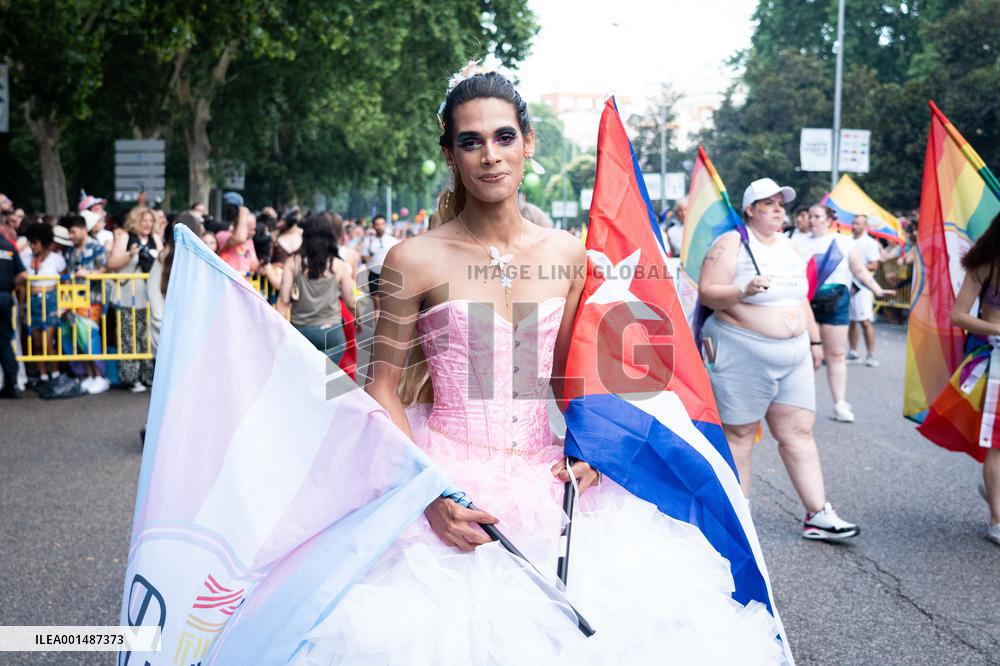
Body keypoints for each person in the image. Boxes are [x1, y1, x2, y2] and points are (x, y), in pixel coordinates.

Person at [298, 66, 784, 664]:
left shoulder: (567, 253)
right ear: (450, 153)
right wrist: (427, 496)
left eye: (504, 137)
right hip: (445, 482)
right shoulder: (412, 259)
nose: (490, 156)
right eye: (470, 141)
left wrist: (591, 451)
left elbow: (568, 380)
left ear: (529, 142)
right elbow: (384, 389)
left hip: (549, 481)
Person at [698, 178, 859, 542]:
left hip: (794, 354)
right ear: (750, 210)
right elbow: (708, 292)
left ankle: (818, 513)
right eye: (767, 203)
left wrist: (815, 339)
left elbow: (801, 298)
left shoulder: (790, 247)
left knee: (799, 432)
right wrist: (744, 289)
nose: (777, 209)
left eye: (780, 204)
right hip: (741, 349)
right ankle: (738, 514)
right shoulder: (731, 244)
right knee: (739, 433)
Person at [803, 205, 893, 422]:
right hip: (807, 304)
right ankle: (803, 405)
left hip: (837, 302)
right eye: (810, 216)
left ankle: (839, 403)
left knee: (835, 354)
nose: (813, 220)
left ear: (829, 220)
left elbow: (859, 270)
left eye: (817, 217)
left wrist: (877, 289)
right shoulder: (798, 242)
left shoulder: (844, 242)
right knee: (805, 357)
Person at [949, 215, 1000, 545]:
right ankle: (997, 518)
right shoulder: (986, 267)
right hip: (995, 362)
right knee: (998, 444)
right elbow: (959, 314)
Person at [277, 214, 356, 366]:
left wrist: (277, 328)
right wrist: (358, 318)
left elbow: (284, 299)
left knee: (303, 378)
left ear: (305, 234)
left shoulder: (293, 261)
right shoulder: (338, 264)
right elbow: (351, 302)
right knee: (323, 381)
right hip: (332, 334)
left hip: (301, 332)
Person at [107, 206, 159, 392]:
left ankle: (148, 375)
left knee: (147, 337)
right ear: (136, 220)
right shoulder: (125, 237)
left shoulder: (156, 240)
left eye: (150, 221)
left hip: (150, 298)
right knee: (129, 336)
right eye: (144, 220)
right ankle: (131, 377)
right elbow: (112, 264)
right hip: (128, 296)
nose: (147, 224)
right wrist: (130, 255)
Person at [64, 214, 110, 394]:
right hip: (72, 302)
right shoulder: (69, 251)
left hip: (92, 300)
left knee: (89, 338)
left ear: (83, 229)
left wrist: (88, 273)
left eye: (73, 231)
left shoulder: (96, 248)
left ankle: (100, 376)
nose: (71, 236)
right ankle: (89, 375)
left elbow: (104, 269)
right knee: (77, 340)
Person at [21, 222, 66, 384]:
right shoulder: (25, 259)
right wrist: (21, 308)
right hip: (31, 303)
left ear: (45, 242)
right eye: (30, 242)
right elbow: (21, 284)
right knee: (37, 343)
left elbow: (65, 282)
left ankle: (54, 373)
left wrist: (63, 305)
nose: (32, 246)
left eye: (35, 242)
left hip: (51, 302)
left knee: (48, 342)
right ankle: (42, 374)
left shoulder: (57, 259)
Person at [846, 215, 882, 367]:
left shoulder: (870, 243)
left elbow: (874, 265)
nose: (855, 225)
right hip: (849, 285)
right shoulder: (847, 241)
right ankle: (853, 352)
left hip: (863, 287)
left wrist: (857, 266)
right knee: (851, 320)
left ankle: (871, 354)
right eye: (853, 223)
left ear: (865, 226)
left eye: (858, 223)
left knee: (865, 321)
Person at [0, 228, 27, 398]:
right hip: (5, 297)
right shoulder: (9, 246)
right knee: (4, 342)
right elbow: (23, 275)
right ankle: (12, 384)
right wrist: (9, 283)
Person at [359, 213, 399, 310]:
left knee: (389, 304)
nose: (380, 227)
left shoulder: (392, 240)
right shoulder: (368, 241)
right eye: (378, 224)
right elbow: (364, 258)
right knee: (377, 305)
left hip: (389, 274)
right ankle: (377, 324)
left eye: (382, 224)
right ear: (374, 226)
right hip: (374, 274)